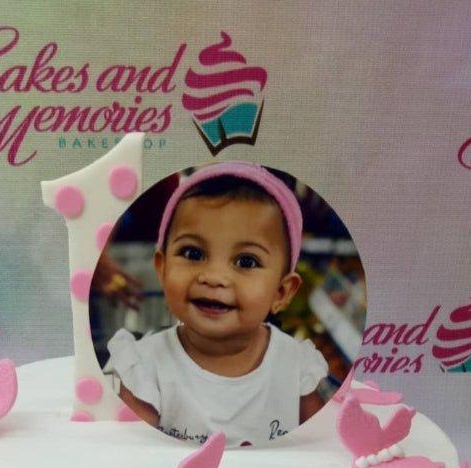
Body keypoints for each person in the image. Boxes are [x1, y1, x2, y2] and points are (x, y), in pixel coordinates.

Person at [106, 162, 328, 446]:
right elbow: (131, 455)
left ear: (282, 292)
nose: (213, 277)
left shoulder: (297, 368)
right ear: (162, 269)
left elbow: (323, 451)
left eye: (246, 261)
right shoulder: (146, 368)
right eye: (193, 253)